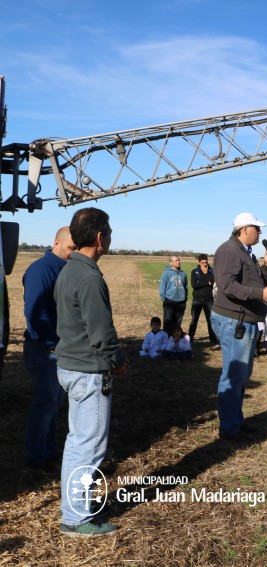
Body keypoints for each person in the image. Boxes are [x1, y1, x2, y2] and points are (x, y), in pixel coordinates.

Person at [55, 207, 128, 536]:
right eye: (109, 231)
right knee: (90, 446)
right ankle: (77, 516)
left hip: (70, 367)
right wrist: (119, 360)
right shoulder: (89, 277)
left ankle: (72, 508)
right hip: (88, 371)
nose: (110, 236)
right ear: (100, 238)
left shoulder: (69, 270)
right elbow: (102, 335)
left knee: (77, 442)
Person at [211, 212, 267, 440]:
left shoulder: (244, 253)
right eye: (257, 228)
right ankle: (229, 429)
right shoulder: (229, 250)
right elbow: (227, 285)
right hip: (235, 320)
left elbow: (251, 282)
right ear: (243, 229)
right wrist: (261, 294)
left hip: (243, 319)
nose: (260, 232)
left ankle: (236, 422)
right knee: (233, 376)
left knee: (241, 375)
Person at [23, 226, 76, 470]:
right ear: (56, 243)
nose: (73, 253)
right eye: (70, 249)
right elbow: (35, 313)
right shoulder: (40, 270)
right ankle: (37, 457)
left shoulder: (65, 268)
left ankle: (49, 448)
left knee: (55, 402)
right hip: (45, 348)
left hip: (59, 348)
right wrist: (53, 343)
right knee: (45, 403)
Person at [188, 253, 217, 348]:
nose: (205, 264)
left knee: (210, 320)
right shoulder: (194, 272)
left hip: (209, 300)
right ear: (199, 262)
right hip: (197, 300)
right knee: (194, 320)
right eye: (203, 262)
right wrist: (206, 283)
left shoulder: (212, 271)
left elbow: (212, 282)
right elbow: (194, 285)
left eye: (206, 262)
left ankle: (213, 339)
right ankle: (190, 338)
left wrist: (202, 283)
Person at [159, 255, 188, 333]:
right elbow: (162, 286)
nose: (178, 262)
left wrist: (185, 297)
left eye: (179, 260)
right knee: (168, 321)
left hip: (181, 302)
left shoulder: (183, 274)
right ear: (171, 263)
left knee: (178, 323)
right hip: (169, 301)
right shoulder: (166, 273)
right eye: (176, 261)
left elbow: (186, 286)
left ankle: (175, 339)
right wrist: (163, 298)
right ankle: (166, 340)